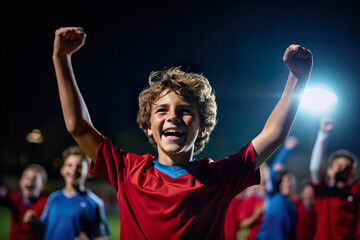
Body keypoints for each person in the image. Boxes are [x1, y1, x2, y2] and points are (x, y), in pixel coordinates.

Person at [52, 26, 312, 239]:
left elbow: (274, 134)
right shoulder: (127, 171)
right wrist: (62, 59)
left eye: (185, 110)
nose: (173, 116)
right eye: (162, 110)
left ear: (202, 128)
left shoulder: (219, 177)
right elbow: (78, 126)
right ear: (147, 127)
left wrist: (297, 78)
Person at [24, 146, 111, 240]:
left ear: (88, 172)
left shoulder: (94, 202)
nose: (73, 170)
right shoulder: (53, 198)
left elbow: (101, 236)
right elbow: (45, 227)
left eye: (79, 166)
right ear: (63, 170)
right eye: (70, 165)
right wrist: (32, 222)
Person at [310, 118, 360, 240]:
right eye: (338, 165)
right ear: (329, 170)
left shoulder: (355, 191)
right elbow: (315, 169)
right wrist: (323, 135)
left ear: (352, 174)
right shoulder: (323, 192)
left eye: (347, 167)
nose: (342, 169)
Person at [256, 136, 298, 240]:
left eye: (290, 181)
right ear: (279, 183)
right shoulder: (272, 194)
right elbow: (274, 171)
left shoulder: (293, 205)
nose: (288, 184)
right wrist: (287, 149)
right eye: (285, 180)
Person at [0, 164, 48, 240]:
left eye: (35, 179)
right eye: (26, 177)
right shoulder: (15, 197)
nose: (30, 180)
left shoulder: (46, 202)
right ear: (20, 182)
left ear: (42, 186)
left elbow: (51, 228)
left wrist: (35, 223)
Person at [236, 164, 269, 240]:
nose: (263, 179)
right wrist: (256, 214)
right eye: (260, 176)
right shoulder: (250, 199)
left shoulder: (272, 197)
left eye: (264, 175)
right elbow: (241, 224)